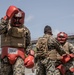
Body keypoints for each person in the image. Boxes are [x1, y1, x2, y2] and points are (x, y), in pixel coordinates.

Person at [0, 5, 34, 75]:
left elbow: (28, 44)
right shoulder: (6, 26)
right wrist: (6, 17)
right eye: (15, 18)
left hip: (19, 57)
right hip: (5, 57)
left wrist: (31, 55)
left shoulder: (25, 30)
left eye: (19, 18)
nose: (17, 20)